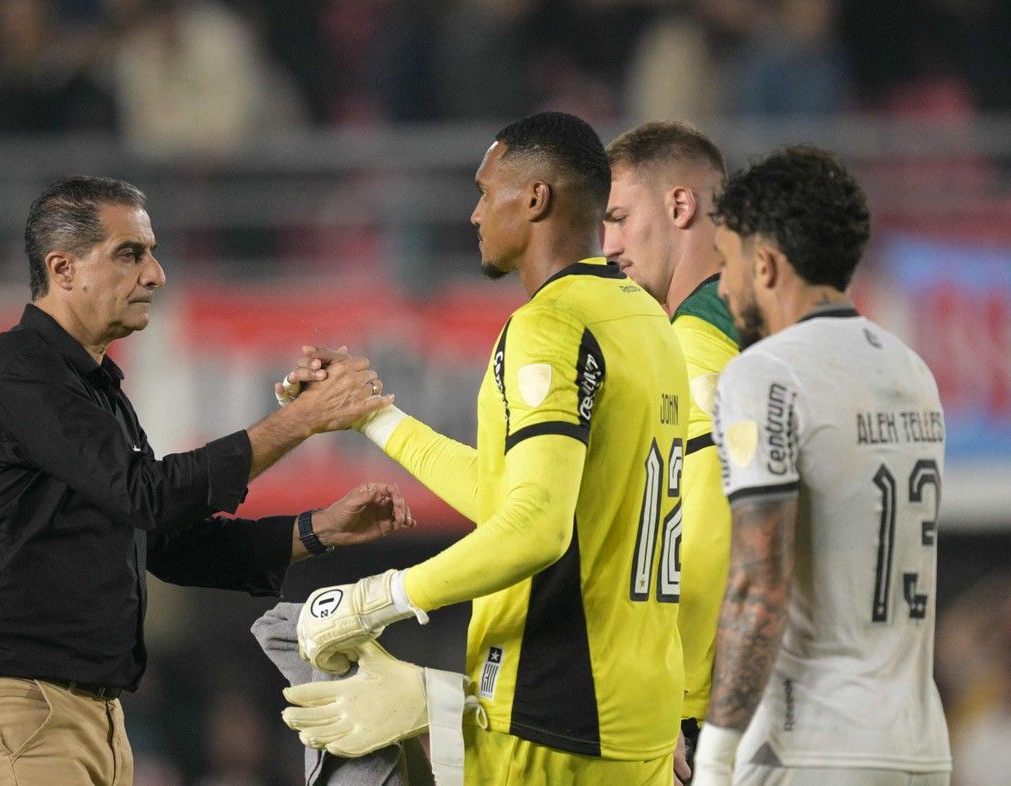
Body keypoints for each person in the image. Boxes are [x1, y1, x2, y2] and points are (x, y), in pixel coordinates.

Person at [0, 175, 414, 786]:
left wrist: (316, 530)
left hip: (87, 714)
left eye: (151, 253)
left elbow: (169, 545)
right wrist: (301, 421)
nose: (156, 274)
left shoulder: (96, 389)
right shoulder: (21, 371)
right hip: (18, 702)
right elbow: (150, 495)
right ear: (63, 268)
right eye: (130, 254)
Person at [282, 112, 690, 784]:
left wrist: (373, 600)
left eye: (485, 190)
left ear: (535, 198)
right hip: (637, 712)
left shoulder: (550, 324)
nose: (474, 213)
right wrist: (373, 419)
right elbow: (516, 496)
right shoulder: (646, 320)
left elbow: (533, 528)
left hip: (551, 713)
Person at [691, 147, 952, 786]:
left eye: (725, 263)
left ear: (767, 264)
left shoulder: (764, 374)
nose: (722, 287)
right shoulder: (910, 370)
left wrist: (717, 752)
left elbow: (759, 584)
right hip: (919, 746)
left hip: (812, 748)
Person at [602, 121, 739, 770]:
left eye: (620, 217)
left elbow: (706, 543)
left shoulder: (690, 351)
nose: (608, 245)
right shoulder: (768, 318)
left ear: (680, 206)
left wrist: (681, 708)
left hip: (716, 723)